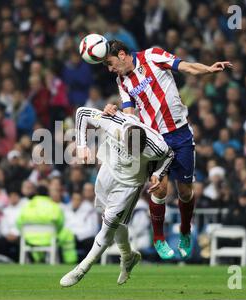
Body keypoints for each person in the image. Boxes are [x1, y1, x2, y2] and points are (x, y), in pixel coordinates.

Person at [102, 39, 232, 260]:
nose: (110, 69)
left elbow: (187, 66)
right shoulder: (122, 82)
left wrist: (208, 69)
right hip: (155, 140)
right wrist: (116, 114)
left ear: (122, 54)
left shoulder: (152, 56)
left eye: (111, 63)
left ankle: (185, 230)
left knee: (185, 192)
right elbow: (130, 114)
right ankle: (159, 238)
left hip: (180, 133)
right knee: (160, 190)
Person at [60, 106, 174, 287]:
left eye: (137, 152)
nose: (132, 154)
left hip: (129, 186)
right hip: (107, 173)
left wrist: (158, 174)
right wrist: (81, 145)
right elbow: (81, 112)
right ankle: (128, 257)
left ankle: (81, 269)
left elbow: (169, 154)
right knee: (113, 221)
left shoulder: (157, 146)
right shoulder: (114, 123)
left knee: (110, 224)